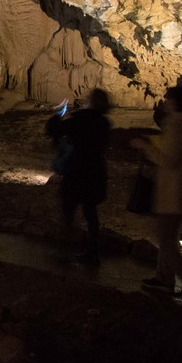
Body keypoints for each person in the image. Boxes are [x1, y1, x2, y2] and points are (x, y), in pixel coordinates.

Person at [132, 85, 182, 296]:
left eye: (169, 100)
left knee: (166, 239)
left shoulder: (177, 127)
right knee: (167, 237)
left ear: (176, 103)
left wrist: (144, 146)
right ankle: (163, 278)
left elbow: (169, 160)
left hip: (175, 191)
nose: (166, 103)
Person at [46, 88, 111, 265]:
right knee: (91, 213)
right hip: (96, 172)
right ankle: (92, 251)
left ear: (90, 101)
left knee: (68, 212)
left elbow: (54, 130)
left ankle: (64, 251)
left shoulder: (81, 119)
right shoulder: (104, 123)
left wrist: (58, 112)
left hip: (77, 172)